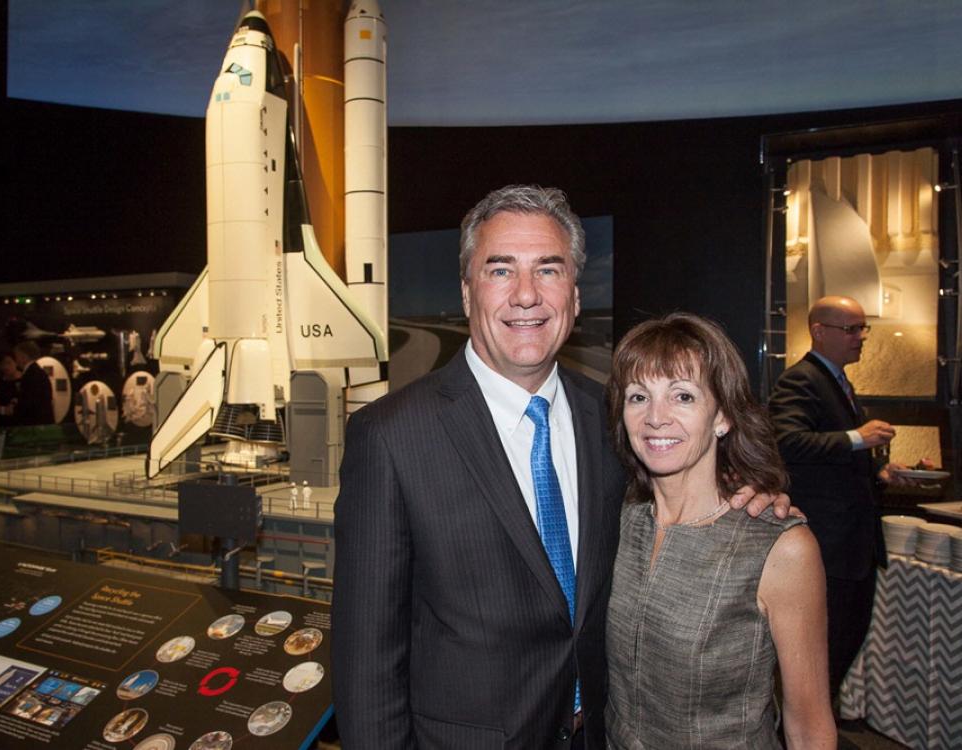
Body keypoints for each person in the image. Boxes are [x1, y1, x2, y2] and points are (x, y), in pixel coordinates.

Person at [332, 184, 790, 748]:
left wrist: (747, 502)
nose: (526, 295)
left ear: (574, 297)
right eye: (500, 270)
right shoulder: (391, 436)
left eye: (548, 270)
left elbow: (680, 497)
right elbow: (365, 661)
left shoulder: (616, 420)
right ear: (467, 293)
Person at [605, 313, 834, 749]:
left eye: (683, 397)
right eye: (638, 396)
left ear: (723, 416)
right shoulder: (620, 521)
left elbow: (809, 728)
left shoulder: (779, 547)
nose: (656, 417)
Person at [768, 295, 920, 699]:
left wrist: (880, 472)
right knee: (824, 652)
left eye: (862, 328)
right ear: (819, 331)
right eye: (851, 329)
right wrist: (859, 438)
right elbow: (787, 441)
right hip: (829, 546)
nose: (861, 337)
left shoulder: (837, 381)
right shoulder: (801, 379)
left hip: (853, 545)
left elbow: (834, 463)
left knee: (842, 646)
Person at [0, 341, 54, 426]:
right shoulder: (36, 372)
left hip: (36, 424)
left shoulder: (31, 374)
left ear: (24, 357)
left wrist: (7, 410)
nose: (16, 360)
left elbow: (29, 403)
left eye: (17, 356)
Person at [0, 351, 21, 428]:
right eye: (2, 364)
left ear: (16, 363)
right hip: (3, 424)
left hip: (23, 424)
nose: (5, 367)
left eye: (9, 363)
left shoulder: (25, 380)